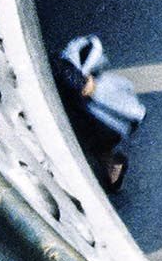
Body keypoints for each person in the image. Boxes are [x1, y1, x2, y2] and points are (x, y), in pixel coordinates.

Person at [51, 34, 143, 193]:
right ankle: (111, 168)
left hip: (102, 123)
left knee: (96, 145)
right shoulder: (100, 85)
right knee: (98, 146)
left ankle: (111, 167)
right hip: (108, 123)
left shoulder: (78, 73)